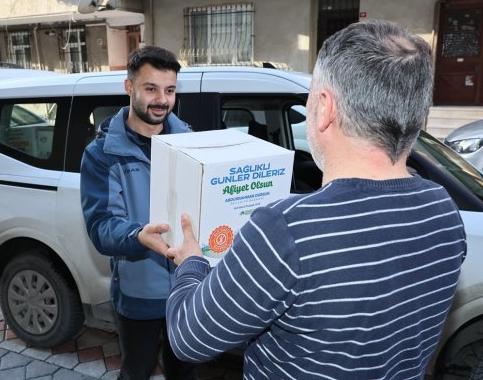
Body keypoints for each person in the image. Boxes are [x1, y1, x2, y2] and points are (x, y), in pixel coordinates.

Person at [165, 20, 467, 379]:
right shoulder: (444, 210)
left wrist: (190, 262)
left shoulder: (286, 230)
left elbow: (189, 339)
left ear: (324, 107)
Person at [80, 46, 196, 380]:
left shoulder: (191, 142)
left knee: (184, 373)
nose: (162, 99)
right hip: (138, 292)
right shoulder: (102, 154)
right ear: (129, 87)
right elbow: (101, 227)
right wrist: (137, 236)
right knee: (137, 372)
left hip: (187, 289)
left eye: (169, 90)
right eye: (151, 88)